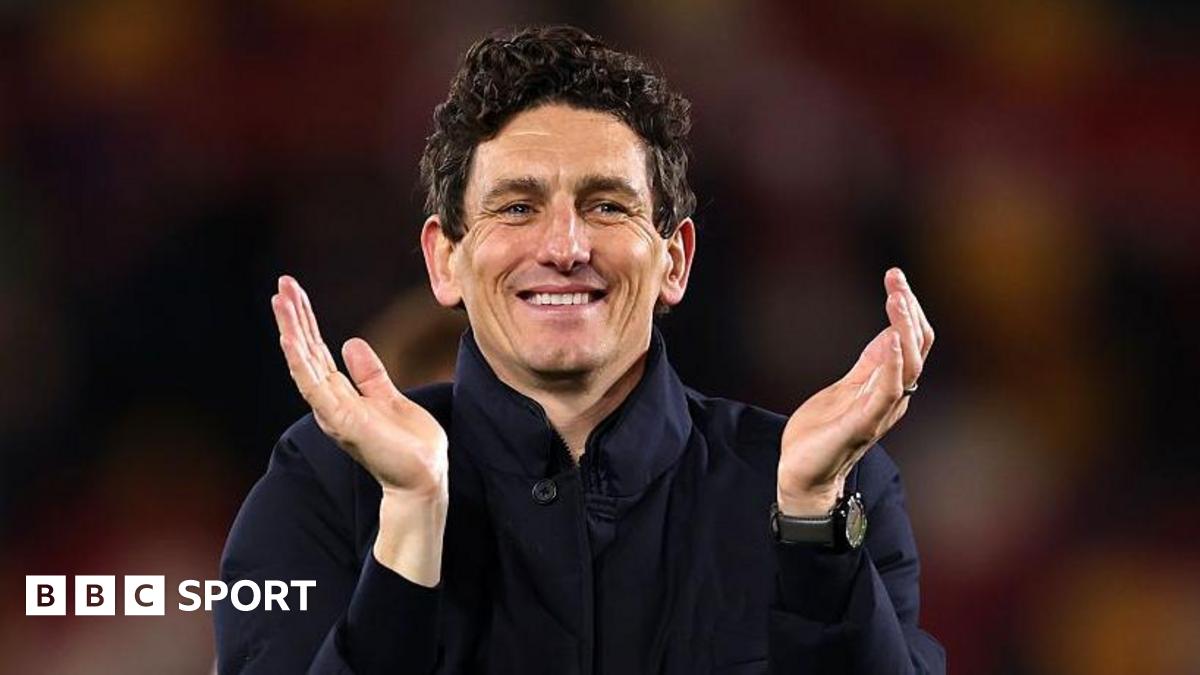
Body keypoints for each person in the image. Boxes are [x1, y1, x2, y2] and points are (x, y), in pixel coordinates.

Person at [215, 25, 945, 674]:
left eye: (606, 205)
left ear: (675, 261)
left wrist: (812, 525)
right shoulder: (322, 487)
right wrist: (409, 524)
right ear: (444, 260)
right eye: (517, 207)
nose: (565, 248)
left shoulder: (828, 488)